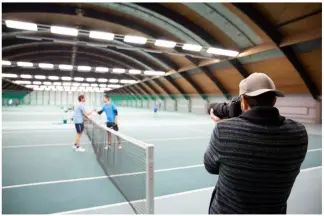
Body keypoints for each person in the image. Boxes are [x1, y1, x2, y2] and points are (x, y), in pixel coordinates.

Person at [204, 73, 308, 214]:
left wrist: (223, 127)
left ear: (244, 102)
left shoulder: (224, 130)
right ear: (275, 99)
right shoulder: (299, 132)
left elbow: (210, 167)